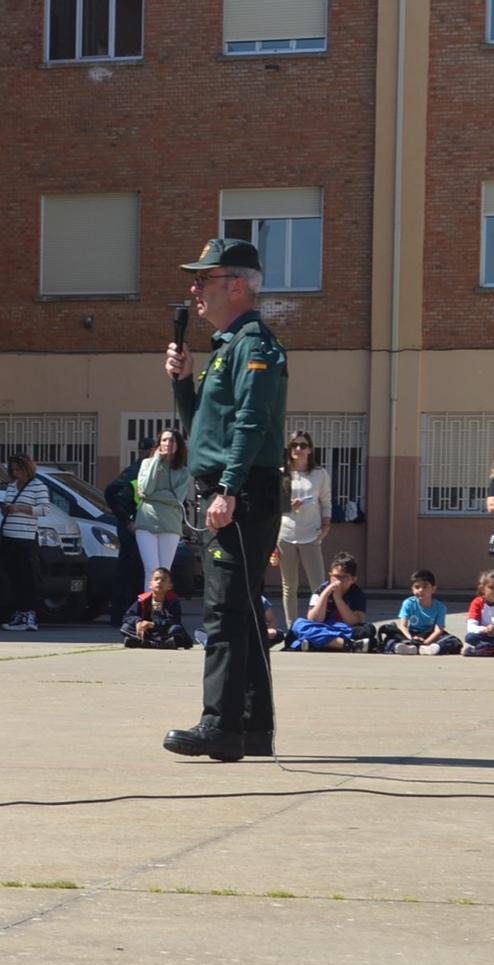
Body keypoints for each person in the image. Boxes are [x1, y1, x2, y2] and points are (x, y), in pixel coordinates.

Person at [162, 237, 287, 762]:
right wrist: (184, 384)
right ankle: (252, 727)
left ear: (236, 285)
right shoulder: (226, 348)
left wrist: (229, 489)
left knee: (223, 613)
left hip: (241, 492)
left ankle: (220, 726)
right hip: (231, 487)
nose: (195, 289)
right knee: (240, 612)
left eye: (204, 279)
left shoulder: (252, 345)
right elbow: (203, 431)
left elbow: (252, 425)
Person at [276, 430, 333, 628]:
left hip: (311, 535)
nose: (298, 449)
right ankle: (292, 628)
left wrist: (326, 525)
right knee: (289, 587)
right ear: (289, 449)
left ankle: (318, 626)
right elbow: (276, 506)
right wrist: (289, 506)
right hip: (286, 535)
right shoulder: (283, 473)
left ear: (310, 450)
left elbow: (326, 502)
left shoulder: (320, 474)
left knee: (318, 585)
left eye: (303, 445)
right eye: (294, 445)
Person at [0, 452, 49, 632]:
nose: (16, 473)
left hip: (26, 538)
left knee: (29, 579)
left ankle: (30, 614)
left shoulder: (38, 486)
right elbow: (6, 505)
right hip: (10, 536)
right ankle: (19, 612)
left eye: (19, 469)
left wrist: (19, 508)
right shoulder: (11, 487)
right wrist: (6, 509)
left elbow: (44, 510)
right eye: (13, 470)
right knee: (14, 578)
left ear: (27, 469)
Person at [134, 427, 192, 584]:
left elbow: (176, 498)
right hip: (146, 523)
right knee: (151, 570)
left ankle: (161, 607)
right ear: (159, 444)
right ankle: (149, 608)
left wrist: (152, 496)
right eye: (164, 440)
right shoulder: (147, 463)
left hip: (170, 525)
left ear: (179, 445)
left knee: (164, 572)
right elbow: (145, 489)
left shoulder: (184, 471)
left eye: (172, 440)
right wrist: (156, 461)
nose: (168, 443)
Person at [287, 552, 371, 653]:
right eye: (335, 576)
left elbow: (354, 621)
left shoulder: (357, 594)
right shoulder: (321, 590)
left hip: (343, 628)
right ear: (330, 575)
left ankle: (315, 642)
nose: (338, 581)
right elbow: (314, 619)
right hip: (323, 626)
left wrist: (338, 598)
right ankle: (347, 645)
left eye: (344, 577)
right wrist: (326, 593)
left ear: (353, 579)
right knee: (299, 624)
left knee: (366, 630)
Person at [102, 439, 148, 622]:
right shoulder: (134, 472)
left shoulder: (149, 471)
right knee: (131, 571)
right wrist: (127, 522)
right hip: (131, 528)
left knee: (133, 571)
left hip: (142, 526)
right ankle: (125, 614)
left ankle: (127, 613)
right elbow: (112, 493)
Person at [374, 569, 460, 655]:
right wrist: (411, 639)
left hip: (430, 635)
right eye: (417, 587)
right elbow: (403, 626)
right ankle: (405, 648)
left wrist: (426, 642)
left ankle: (429, 649)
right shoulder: (408, 603)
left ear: (433, 589)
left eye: (425, 586)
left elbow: (438, 630)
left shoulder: (440, 607)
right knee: (390, 639)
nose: (421, 590)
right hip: (411, 634)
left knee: (452, 640)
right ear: (412, 589)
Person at [120, 567, 194, 649]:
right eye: (156, 579)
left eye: (163, 580)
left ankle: (144, 643)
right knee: (125, 627)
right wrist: (138, 622)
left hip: (163, 632)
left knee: (177, 629)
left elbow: (173, 620)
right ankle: (160, 644)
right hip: (146, 632)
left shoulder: (173, 601)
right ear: (150, 584)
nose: (159, 582)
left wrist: (153, 624)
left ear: (170, 586)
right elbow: (128, 616)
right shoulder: (143, 599)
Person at [462, 569, 494, 657]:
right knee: (470, 637)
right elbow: (471, 627)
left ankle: (484, 650)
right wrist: (485, 629)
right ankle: (488, 649)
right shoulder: (478, 603)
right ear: (482, 589)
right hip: (485, 636)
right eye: (491, 588)